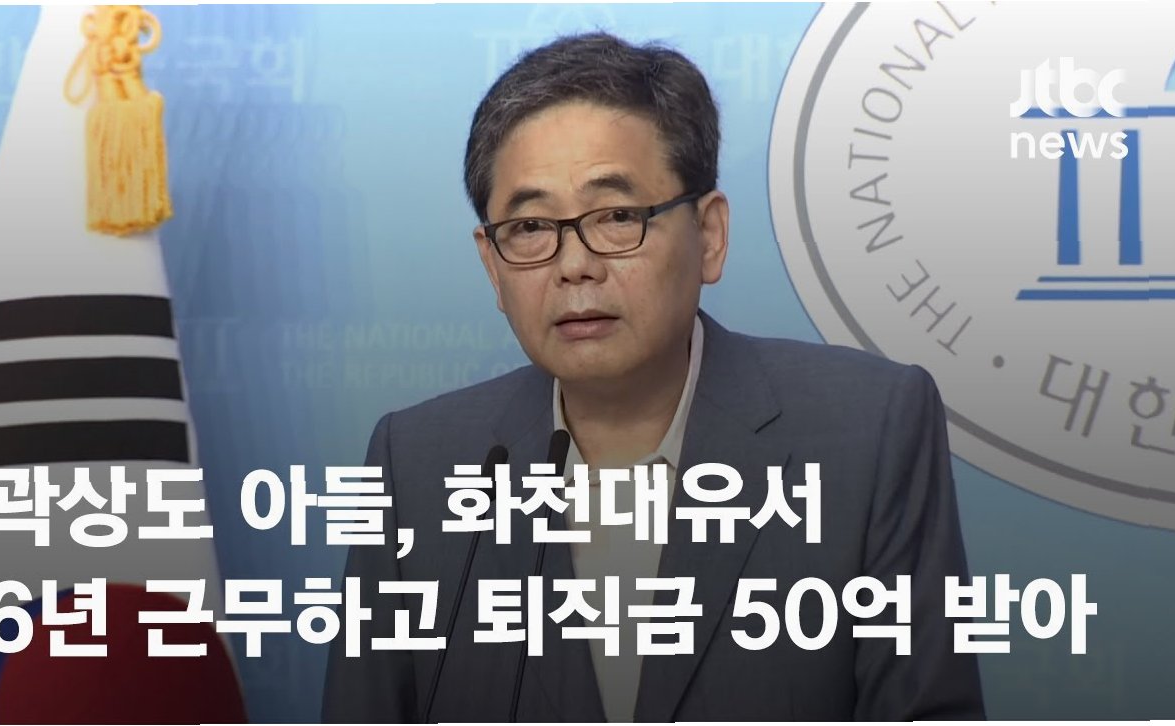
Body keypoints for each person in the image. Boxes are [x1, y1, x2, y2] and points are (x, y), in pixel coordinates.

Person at [322, 32, 984, 722]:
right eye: (530, 227)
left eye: (617, 217)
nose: (574, 266)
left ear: (709, 235)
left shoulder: (866, 433)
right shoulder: (418, 467)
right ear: (492, 266)